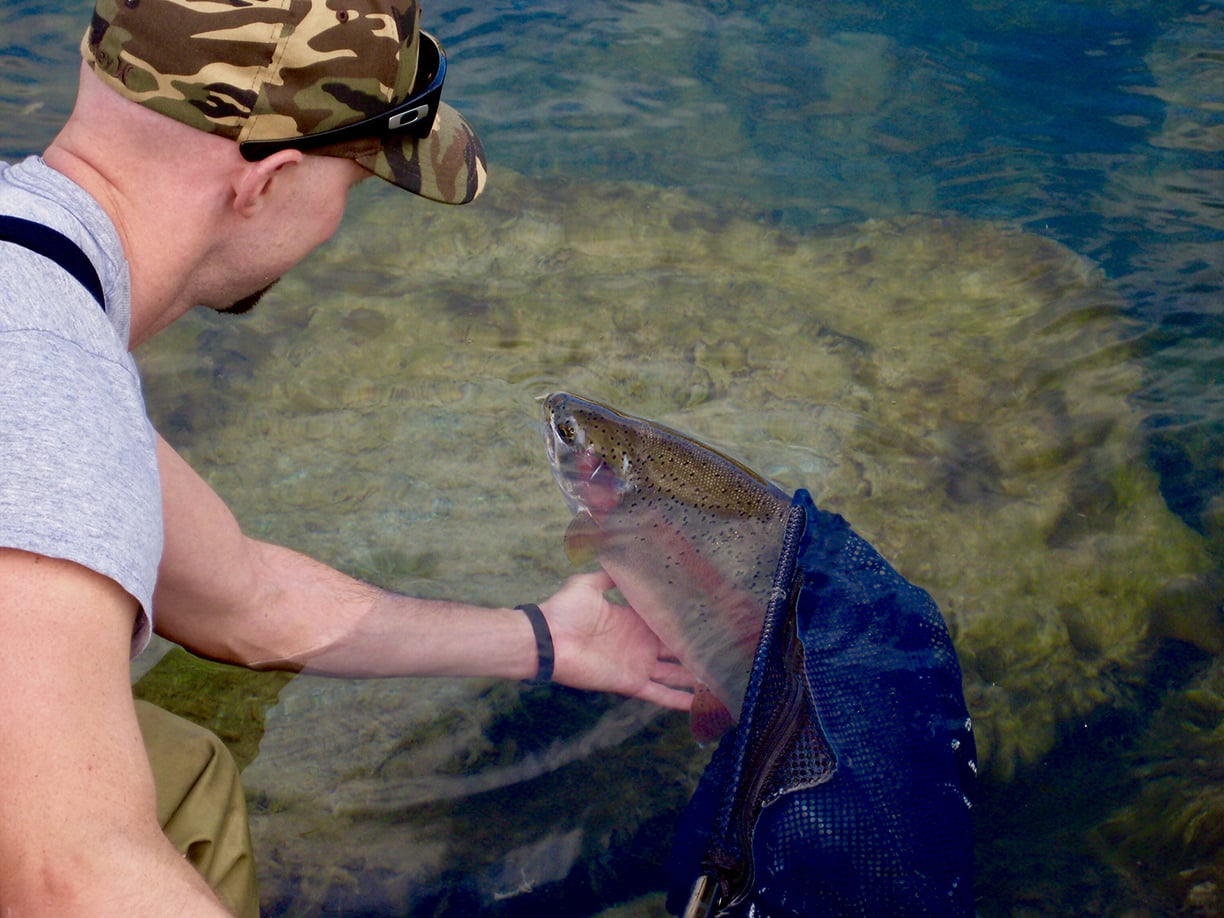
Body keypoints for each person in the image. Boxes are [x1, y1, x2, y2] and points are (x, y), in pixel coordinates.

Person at [0, 0, 694, 914]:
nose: (335, 224)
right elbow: (65, 872)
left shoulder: (36, 285)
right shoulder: (50, 383)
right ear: (266, 181)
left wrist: (545, 639)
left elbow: (248, 601)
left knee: (181, 772)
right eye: (355, 183)